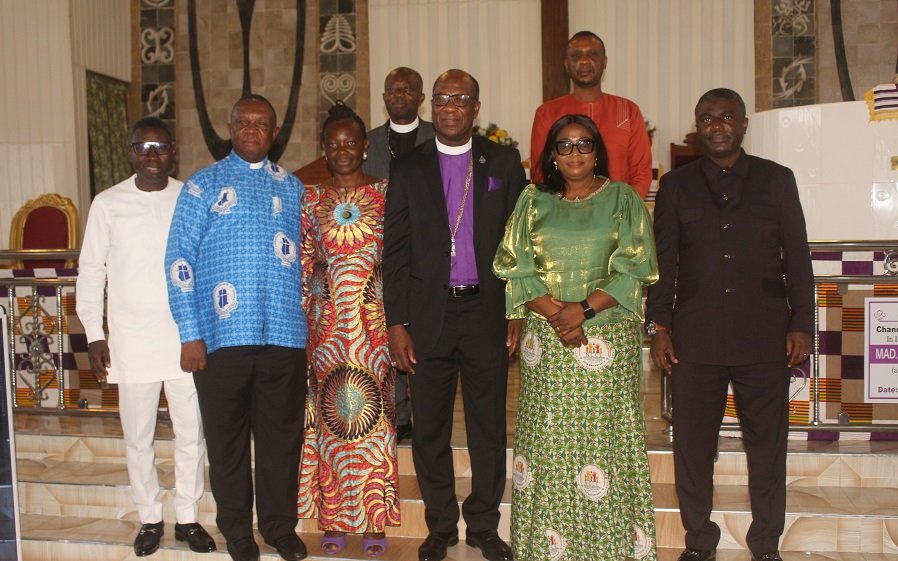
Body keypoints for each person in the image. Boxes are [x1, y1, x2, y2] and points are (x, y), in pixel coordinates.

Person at [645, 88, 814, 561]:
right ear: (697, 128)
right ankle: (699, 542)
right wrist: (659, 326)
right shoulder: (676, 186)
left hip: (765, 338)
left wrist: (802, 324)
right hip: (694, 340)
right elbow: (664, 261)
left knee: (767, 449)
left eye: (725, 117)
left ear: (743, 124)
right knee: (693, 451)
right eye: (706, 119)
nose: (716, 125)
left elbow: (797, 258)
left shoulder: (777, 181)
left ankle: (765, 546)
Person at [493, 114, 659, 561]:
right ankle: (546, 550)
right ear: (550, 155)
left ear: (597, 150)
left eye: (584, 144)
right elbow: (514, 265)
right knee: (548, 443)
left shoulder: (623, 199)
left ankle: (606, 548)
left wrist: (581, 311)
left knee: (604, 440)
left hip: (604, 341)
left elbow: (637, 267)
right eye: (564, 146)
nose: (574, 154)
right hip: (547, 343)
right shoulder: (532, 200)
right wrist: (557, 315)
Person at [382, 69, 526, 561]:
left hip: (486, 312)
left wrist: (517, 309)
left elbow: (520, 244)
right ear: (432, 105)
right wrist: (396, 322)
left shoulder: (503, 162)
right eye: (442, 98)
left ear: (475, 108)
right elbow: (395, 250)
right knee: (429, 429)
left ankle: (485, 523)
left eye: (460, 99)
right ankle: (441, 524)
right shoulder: (408, 167)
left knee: (488, 426)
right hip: (427, 317)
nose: (449, 107)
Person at [165, 95, 309, 561]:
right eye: (243, 122)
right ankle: (239, 535)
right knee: (226, 445)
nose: (252, 129)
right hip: (220, 340)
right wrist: (190, 332)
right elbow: (179, 260)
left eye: (261, 123)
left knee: (281, 442)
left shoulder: (293, 189)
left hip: (284, 338)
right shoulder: (201, 187)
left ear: (273, 133)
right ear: (231, 128)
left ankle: (278, 527)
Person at [76, 117, 216, 558]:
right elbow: (91, 270)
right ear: (130, 152)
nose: (152, 155)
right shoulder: (108, 203)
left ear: (173, 150)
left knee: (191, 433)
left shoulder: (188, 198)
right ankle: (150, 517)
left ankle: (188, 517)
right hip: (131, 341)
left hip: (184, 338)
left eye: (160, 147)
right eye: (143, 147)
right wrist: (95, 335)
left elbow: (206, 264)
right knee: (138, 435)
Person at [297, 101, 400, 558]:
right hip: (327, 329)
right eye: (334, 143)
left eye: (350, 142)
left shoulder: (387, 194)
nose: (342, 150)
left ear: (365, 147)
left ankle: (376, 520)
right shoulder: (310, 199)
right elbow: (302, 265)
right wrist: (303, 326)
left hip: (374, 328)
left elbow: (400, 261)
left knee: (375, 420)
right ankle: (335, 518)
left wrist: (400, 324)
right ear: (324, 149)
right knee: (332, 425)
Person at [363, 66, 435, 442]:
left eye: (409, 89)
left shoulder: (437, 138)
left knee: (420, 337)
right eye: (392, 89)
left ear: (421, 98)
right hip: (378, 257)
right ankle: (398, 413)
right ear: (384, 97)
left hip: (425, 257)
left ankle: (425, 412)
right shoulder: (367, 143)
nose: (400, 94)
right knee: (387, 334)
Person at [530, 31, 653, 198]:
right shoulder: (547, 113)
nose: (584, 60)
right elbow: (541, 172)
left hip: (618, 214)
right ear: (566, 64)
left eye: (592, 54)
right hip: (564, 214)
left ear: (605, 62)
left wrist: (626, 210)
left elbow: (642, 171)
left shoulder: (628, 111)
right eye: (576, 55)